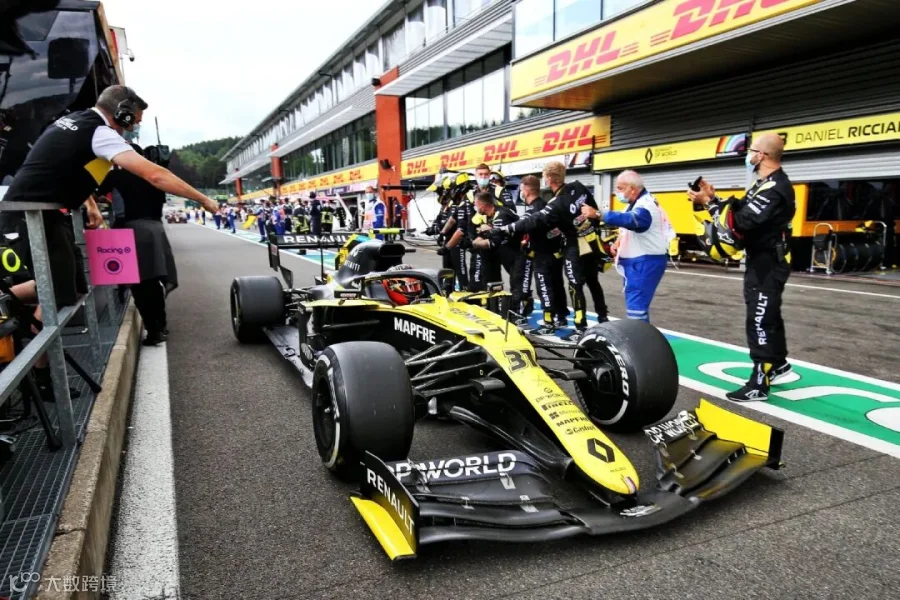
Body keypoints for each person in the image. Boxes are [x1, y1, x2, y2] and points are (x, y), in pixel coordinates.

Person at [0, 85, 218, 396]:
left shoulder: (75, 122)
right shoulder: (101, 132)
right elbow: (155, 175)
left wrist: (89, 205)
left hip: (44, 215)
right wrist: (203, 199)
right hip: (30, 216)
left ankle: (7, 302)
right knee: (57, 293)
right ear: (122, 113)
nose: (133, 128)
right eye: (134, 121)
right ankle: (41, 375)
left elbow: (65, 167)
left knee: (73, 288)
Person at [688, 132, 796, 402]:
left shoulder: (776, 188)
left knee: (759, 318)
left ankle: (759, 382)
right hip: (763, 260)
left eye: (751, 150)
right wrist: (713, 198)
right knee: (769, 314)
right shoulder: (765, 184)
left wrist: (707, 203)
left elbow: (743, 222)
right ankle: (778, 364)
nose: (748, 155)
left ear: (762, 155)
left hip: (769, 263)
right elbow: (739, 211)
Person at [498, 161, 608, 342]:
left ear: (549, 179)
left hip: (574, 245)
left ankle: (580, 327)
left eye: (544, 176)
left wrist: (506, 228)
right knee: (592, 281)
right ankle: (603, 317)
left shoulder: (555, 203)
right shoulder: (578, 186)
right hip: (591, 241)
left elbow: (534, 220)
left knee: (575, 285)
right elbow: (594, 211)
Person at [96, 141, 178, 345]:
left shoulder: (116, 176)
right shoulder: (154, 174)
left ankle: (153, 330)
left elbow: (95, 192)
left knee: (138, 283)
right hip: (156, 230)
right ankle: (162, 324)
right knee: (154, 280)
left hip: (130, 231)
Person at [581, 170, 672, 323]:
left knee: (636, 308)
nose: (617, 192)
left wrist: (598, 214)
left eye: (620, 188)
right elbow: (628, 228)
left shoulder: (645, 206)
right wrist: (618, 243)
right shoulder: (635, 204)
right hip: (640, 262)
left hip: (644, 263)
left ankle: (639, 336)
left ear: (632, 188)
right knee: (637, 307)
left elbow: (633, 221)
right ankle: (641, 333)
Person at [518, 175, 568, 331]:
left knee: (544, 288)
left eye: (521, 190)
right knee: (557, 285)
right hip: (556, 253)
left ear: (526, 191)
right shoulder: (548, 206)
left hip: (542, 255)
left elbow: (521, 228)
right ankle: (561, 316)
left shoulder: (533, 210)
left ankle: (548, 322)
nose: (521, 193)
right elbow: (558, 229)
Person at [471, 192, 525, 311]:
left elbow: (493, 242)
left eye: (476, 204)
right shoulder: (492, 214)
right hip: (509, 252)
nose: (475, 207)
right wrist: (480, 236)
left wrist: (474, 243)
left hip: (520, 253)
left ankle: (518, 312)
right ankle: (499, 305)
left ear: (482, 205)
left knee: (517, 285)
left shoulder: (501, 216)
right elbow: (484, 234)